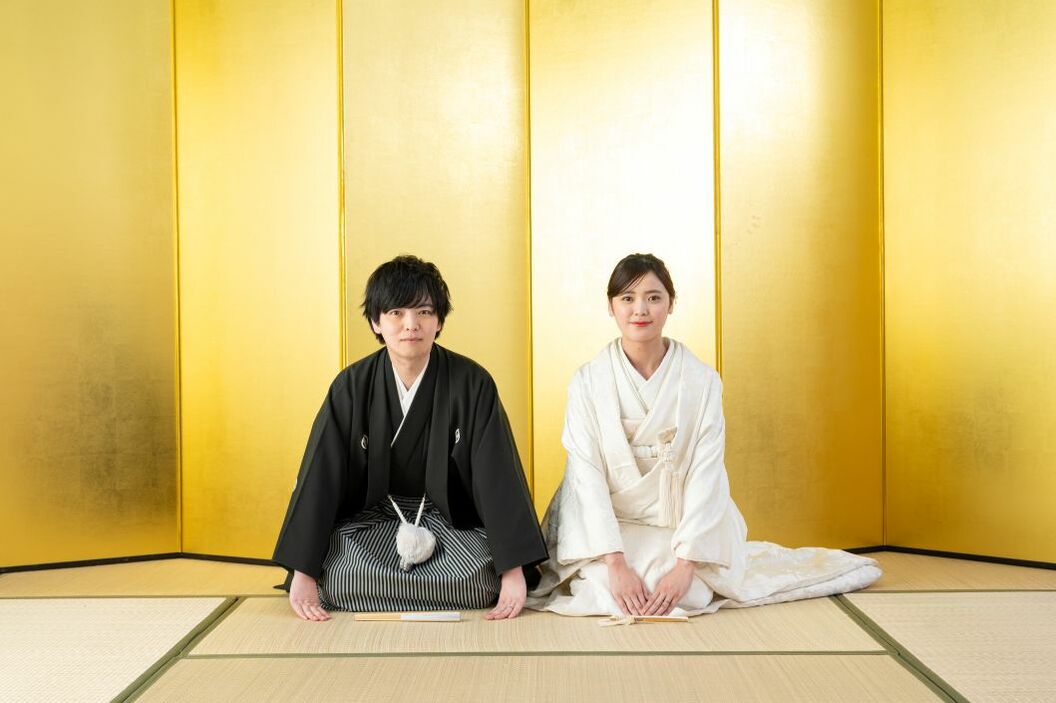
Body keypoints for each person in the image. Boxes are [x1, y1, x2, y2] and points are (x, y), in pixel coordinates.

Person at [527, 253, 880, 617]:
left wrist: (686, 565)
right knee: (605, 587)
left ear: (671, 303)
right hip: (609, 528)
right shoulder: (588, 381)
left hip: (678, 521)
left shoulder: (701, 381)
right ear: (611, 306)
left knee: (689, 591)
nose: (640, 310)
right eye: (627, 298)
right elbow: (585, 475)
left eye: (654, 297)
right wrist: (615, 564)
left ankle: (682, 568)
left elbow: (706, 472)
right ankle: (613, 569)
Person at [274, 255, 547, 622]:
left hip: (449, 525)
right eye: (396, 313)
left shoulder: (472, 383)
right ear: (376, 321)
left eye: (424, 312)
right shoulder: (351, 386)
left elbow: (497, 478)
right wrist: (305, 573)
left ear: (439, 320)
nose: (410, 325)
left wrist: (512, 571)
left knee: (480, 577)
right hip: (373, 525)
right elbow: (321, 475)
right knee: (337, 575)